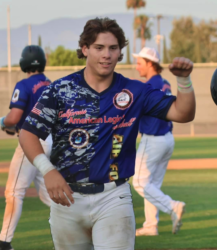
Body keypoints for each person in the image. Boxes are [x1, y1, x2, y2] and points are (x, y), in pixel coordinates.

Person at [18, 17, 195, 250]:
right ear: (85, 49)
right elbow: (27, 132)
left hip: (114, 197)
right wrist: (47, 171)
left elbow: (183, 113)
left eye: (113, 48)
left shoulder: (135, 91)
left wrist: (183, 80)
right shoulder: (60, 90)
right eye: (99, 48)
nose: (107, 55)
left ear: (120, 52)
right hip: (67, 198)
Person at [0, 45, 52, 250]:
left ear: (24, 63)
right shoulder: (49, 83)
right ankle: (84, 226)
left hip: (31, 142)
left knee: (14, 192)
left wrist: (2, 122)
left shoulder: (24, 84)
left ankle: (4, 242)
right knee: (49, 195)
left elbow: (14, 118)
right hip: (48, 141)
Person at [132, 47, 185, 236]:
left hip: (152, 139)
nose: (137, 67)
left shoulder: (148, 87)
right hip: (167, 139)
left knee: (138, 182)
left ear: (149, 64)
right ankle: (150, 226)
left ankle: (173, 207)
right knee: (151, 185)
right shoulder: (165, 83)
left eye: (139, 63)